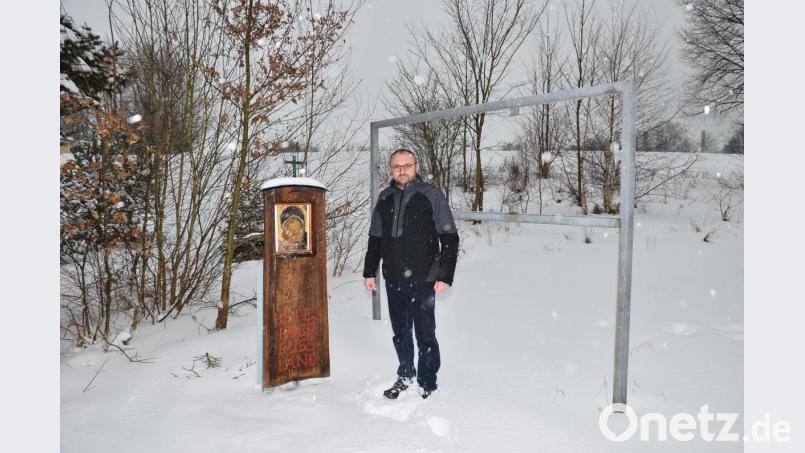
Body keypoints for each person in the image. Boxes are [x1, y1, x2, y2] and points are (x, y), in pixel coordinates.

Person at [363, 148, 459, 399]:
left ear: (416, 166)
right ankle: (405, 374)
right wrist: (369, 272)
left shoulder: (431, 195)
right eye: (396, 166)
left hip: (424, 278)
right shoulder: (384, 198)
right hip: (393, 278)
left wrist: (444, 275)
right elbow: (375, 238)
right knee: (401, 331)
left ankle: (427, 381)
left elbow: (449, 237)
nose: (402, 170)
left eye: (407, 165)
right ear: (390, 169)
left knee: (425, 333)